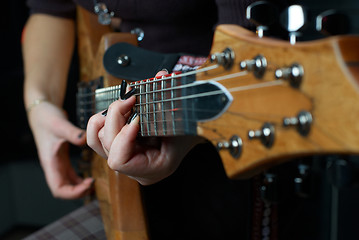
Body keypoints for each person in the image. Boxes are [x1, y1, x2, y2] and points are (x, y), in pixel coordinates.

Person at [23, 0, 293, 239]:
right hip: (124, 186)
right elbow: (48, 10)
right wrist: (39, 103)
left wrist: (188, 133)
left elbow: (247, 69)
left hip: (219, 167)